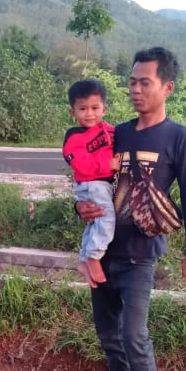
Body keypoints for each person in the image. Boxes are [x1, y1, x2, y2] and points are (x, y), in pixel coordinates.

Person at [75, 47, 186, 371]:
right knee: (108, 334)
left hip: (140, 256)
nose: (134, 89)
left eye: (143, 82)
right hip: (106, 252)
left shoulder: (178, 137)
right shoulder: (118, 132)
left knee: (134, 334)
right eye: (131, 81)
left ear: (166, 87)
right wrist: (79, 207)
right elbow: (90, 181)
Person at [62, 79, 122, 286]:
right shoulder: (73, 138)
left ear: (104, 108)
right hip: (92, 183)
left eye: (95, 108)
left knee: (95, 223)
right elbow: (81, 165)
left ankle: (83, 259)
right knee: (106, 219)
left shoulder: (110, 130)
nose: (89, 114)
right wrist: (109, 165)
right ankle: (94, 256)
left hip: (102, 184)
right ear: (73, 112)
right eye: (83, 108)